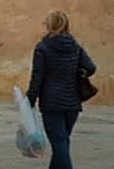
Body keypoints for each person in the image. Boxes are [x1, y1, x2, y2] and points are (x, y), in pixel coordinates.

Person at [26, 10, 96, 169]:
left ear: (50, 25)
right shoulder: (75, 46)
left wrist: (29, 100)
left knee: (59, 143)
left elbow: (37, 77)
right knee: (62, 142)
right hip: (73, 102)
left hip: (51, 103)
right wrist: (79, 71)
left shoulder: (42, 47)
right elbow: (91, 67)